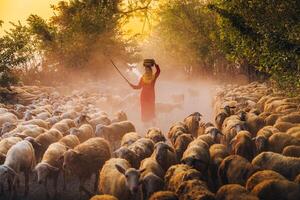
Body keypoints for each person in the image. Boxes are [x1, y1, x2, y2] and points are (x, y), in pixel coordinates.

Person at [129, 59, 160, 124]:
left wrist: (155, 64)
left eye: (148, 69)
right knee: (144, 110)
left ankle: (152, 125)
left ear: (150, 70)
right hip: (143, 96)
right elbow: (138, 87)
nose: (146, 71)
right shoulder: (143, 78)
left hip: (151, 96)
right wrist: (131, 85)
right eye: (145, 70)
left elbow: (158, 71)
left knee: (151, 109)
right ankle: (145, 125)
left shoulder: (153, 77)